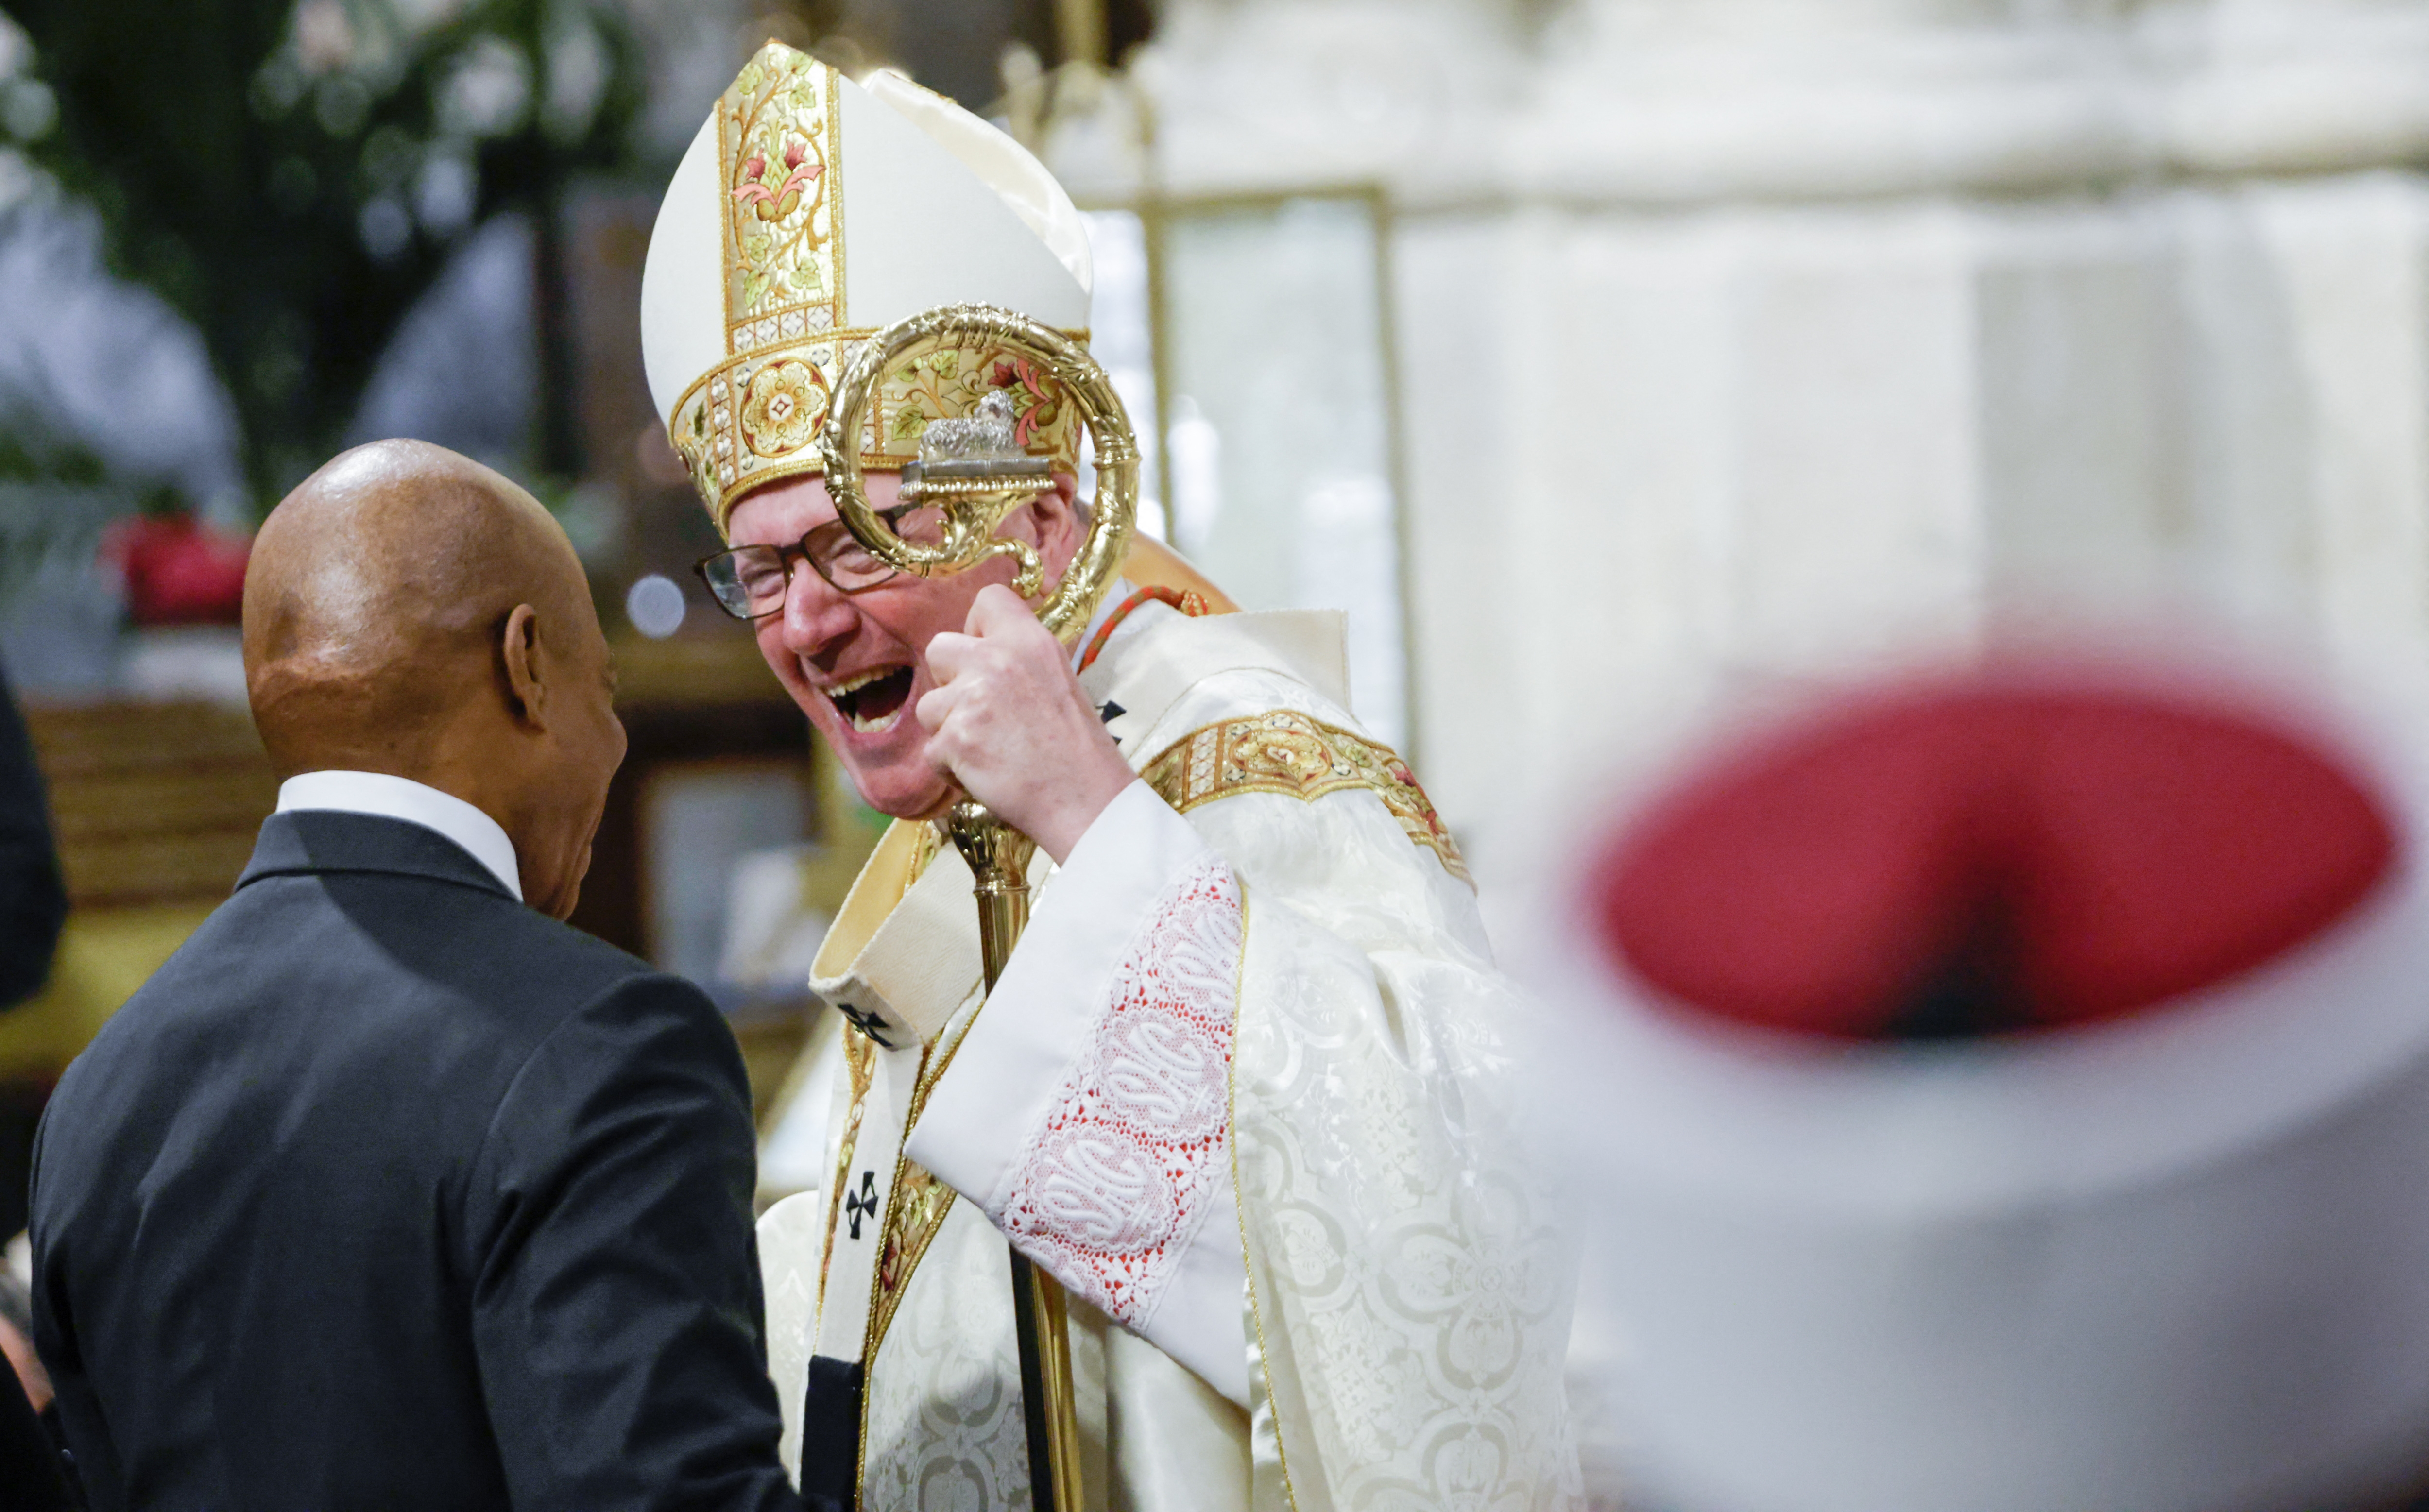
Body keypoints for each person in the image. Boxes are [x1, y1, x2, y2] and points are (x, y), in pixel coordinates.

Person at [640, 46, 1579, 1510]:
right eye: (759, 571)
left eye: (852, 542)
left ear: (1041, 518)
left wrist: (1092, 824)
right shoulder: (943, 824)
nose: (808, 624)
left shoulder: (1250, 765)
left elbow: (1453, 1213)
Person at [27, 441, 804, 1511]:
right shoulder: (606, 1049)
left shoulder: (100, 1096)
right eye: (604, 689)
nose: (616, 741)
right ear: (526, 663)